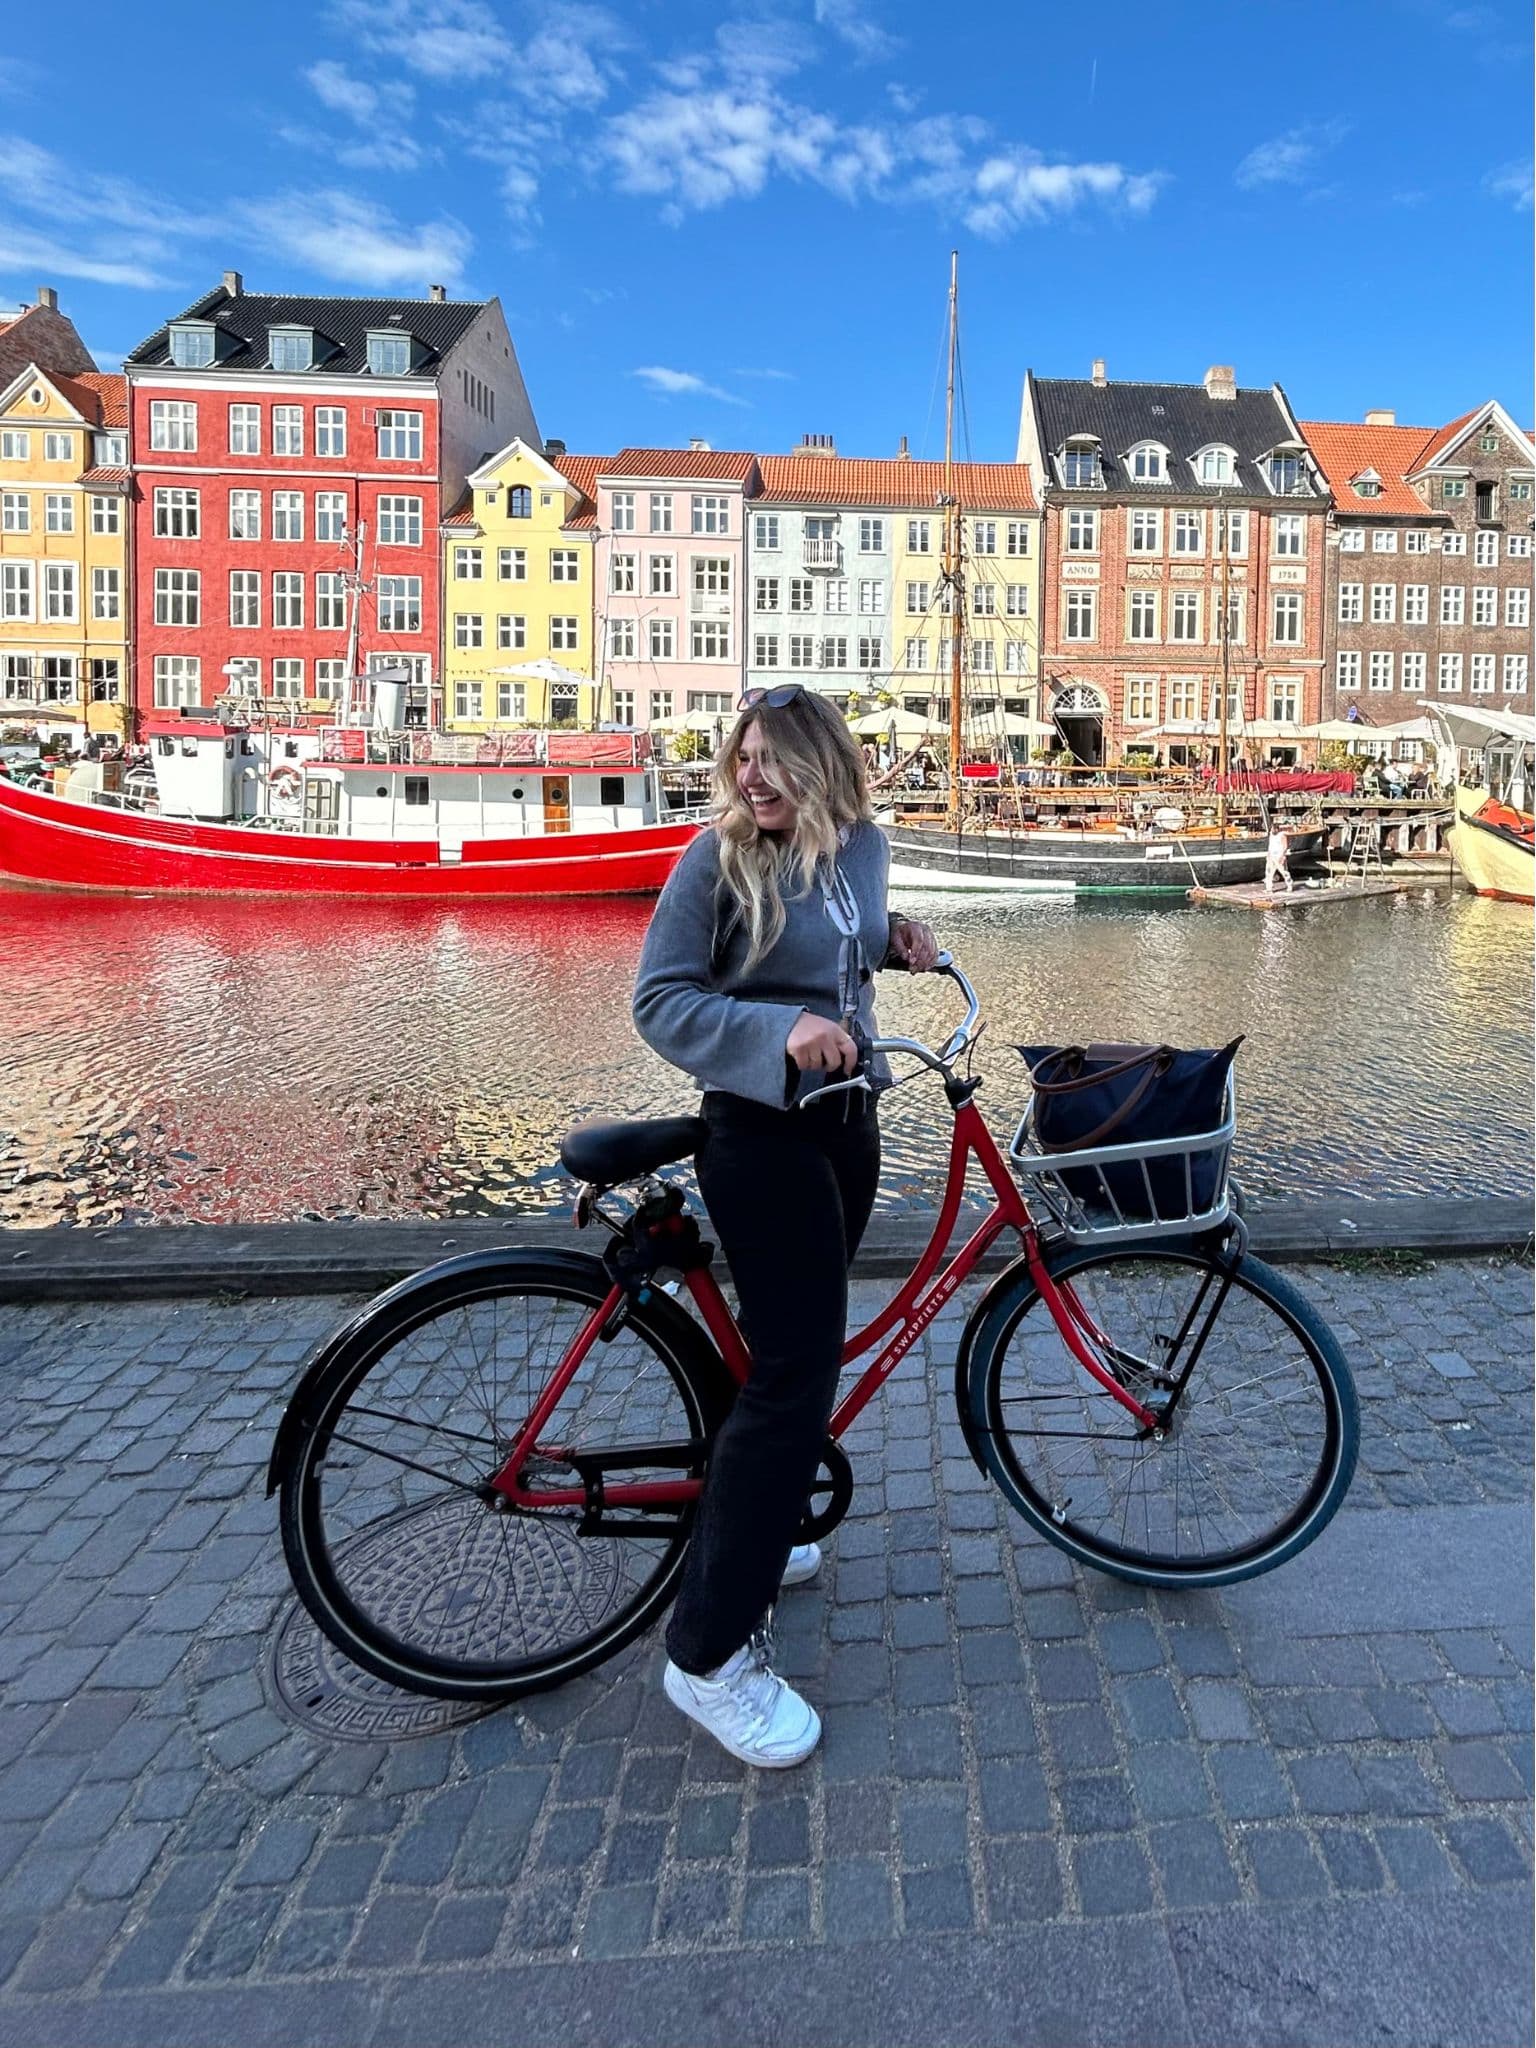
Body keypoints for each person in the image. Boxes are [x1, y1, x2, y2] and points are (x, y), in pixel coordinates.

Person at [633, 684, 940, 1768]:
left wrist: (890, 945)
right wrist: (782, 1027)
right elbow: (660, 1000)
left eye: (774, 760)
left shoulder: (863, 845)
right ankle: (708, 1656)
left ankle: (759, 1522)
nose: (752, 777)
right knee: (797, 1375)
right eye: (744, 758)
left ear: (825, 769)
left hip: (846, 1125)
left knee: (782, 1352)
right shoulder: (713, 860)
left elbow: (839, 954)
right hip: (759, 1133)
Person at [1264, 823, 1293, 896]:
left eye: (1273, 829)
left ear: (1277, 829)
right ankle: (1269, 888)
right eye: (1271, 829)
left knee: (1284, 871)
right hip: (1272, 855)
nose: (1272, 830)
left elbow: (1285, 846)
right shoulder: (1271, 835)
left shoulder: (1282, 835)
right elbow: (1270, 845)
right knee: (1269, 872)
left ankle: (1289, 885)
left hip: (1279, 855)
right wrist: (1268, 854)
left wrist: (1283, 856)